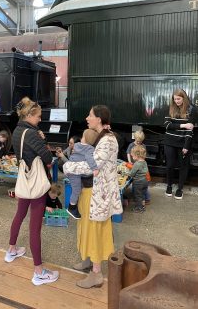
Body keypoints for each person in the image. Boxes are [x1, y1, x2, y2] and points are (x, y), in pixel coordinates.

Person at [62, 105, 122, 289]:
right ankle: (88, 260)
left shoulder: (108, 140)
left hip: (98, 195)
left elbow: (91, 165)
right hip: (91, 192)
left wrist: (68, 167)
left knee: (95, 230)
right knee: (87, 227)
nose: (87, 118)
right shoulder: (101, 137)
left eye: (90, 115)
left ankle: (96, 274)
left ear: (99, 119)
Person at [5, 97, 59, 286]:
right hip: (36, 184)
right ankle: (39, 271)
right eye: (38, 116)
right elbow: (47, 157)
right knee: (35, 227)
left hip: (25, 182)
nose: (39, 120)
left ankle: (11, 250)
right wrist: (43, 142)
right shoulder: (33, 134)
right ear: (29, 115)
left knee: (19, 215)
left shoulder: (18, 131)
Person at [164, 89, 198, 200]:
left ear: (184, 97)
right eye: (175, 99)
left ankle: (180, 189)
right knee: (169, 165)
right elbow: (167, 125)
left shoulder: (192, 109)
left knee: (183, 166)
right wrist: (183, 126)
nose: (176, 101)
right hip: (169, 141)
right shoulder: (170, 108)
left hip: (183, 142)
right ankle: (169, 186)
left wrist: (186, 146)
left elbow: (190, 130)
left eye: (178, 99)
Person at [63, 129, 99, 219]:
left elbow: (74, 155)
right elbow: (89, 158)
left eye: (83, 136)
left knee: (78, 187)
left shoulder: (77, 145)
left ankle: (75, 205)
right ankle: (72, 208)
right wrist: (95, 168)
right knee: (76, 190)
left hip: (70, 168)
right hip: (75, 172)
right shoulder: (90, 148)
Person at [126, 130, 151, 204]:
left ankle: (145, 198)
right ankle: (137, 196)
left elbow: (144, 155)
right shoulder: (131, 145)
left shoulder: (143, 146)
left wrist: (141, 162)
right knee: (138, 182)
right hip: (133, 165)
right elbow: (128, 153)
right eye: (137, 142)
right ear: (135, 138)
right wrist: (129, 161)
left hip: (140, 165)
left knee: (140, 183)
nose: (139, 143)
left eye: (140, 142)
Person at [129, 145, 149, 213]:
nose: (132, 157)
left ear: (137, 155)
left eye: (133, 156)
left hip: (138, 182)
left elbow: (131, 174)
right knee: (142, 194)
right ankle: (142, 206)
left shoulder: (137, 164)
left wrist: (127, 172)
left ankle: (139, 208)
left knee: (138, 195)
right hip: (145, 181)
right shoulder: (144, 162)